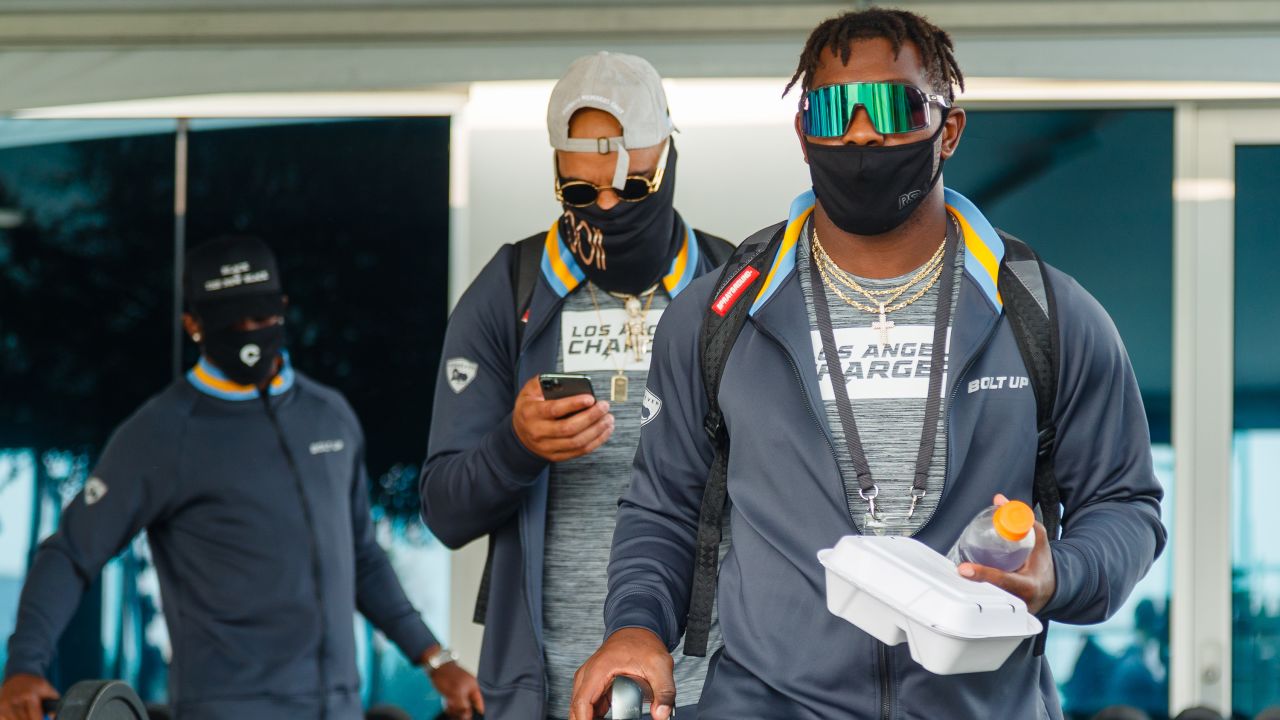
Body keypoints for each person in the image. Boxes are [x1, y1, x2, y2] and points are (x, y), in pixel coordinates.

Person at [571, 9, 1166, 720]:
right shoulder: (717, 317)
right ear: (802, 133)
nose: (859, 133)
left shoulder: (1048, 314)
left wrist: (1059, 571)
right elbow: (662, 507)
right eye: (830, 110)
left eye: (890, 106)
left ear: (948, 128)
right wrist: (635, 627)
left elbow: (1125, 505)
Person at [0, 236, 482, 720]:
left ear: (283, 309)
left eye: (261, 317)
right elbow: (70, 554)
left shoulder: (328, 416)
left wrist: (434, 657)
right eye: (230, 322)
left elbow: (362, 559)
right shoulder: (159, 434)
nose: (249, 333)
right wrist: (24, 664)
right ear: (193, 324)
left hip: (338, 708)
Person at [419, 52, 733, 720]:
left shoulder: (731, 289)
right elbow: (444, 511)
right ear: (556, 175)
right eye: (582, 194)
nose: (611, 208)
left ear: (669, 160)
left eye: (635, 188)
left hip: (715, 685)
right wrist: (515, 446)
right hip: (546, 689)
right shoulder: (510, 293)